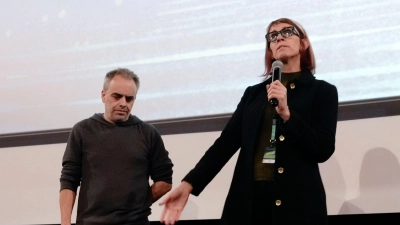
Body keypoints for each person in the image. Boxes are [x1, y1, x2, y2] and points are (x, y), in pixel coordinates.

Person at [159, 18, 338, 225]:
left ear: (304, 44)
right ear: (270, 51)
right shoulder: (254, 94)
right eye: (273, 36)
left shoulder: (323, 92)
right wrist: (188, 184)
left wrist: (288, 114)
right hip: (249, 203)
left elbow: (323, 149)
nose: (279, 37)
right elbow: (225, 144)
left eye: (288, 32)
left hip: (297, 205)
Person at [59, 68, 174, 225]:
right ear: (103, 95)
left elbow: (164, 182)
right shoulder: (82, 130)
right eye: (117, 96)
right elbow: (69, 179)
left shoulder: (148, 133)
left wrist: (137, 204)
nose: (123, 103)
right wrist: (65, 222)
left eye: (129, 99)